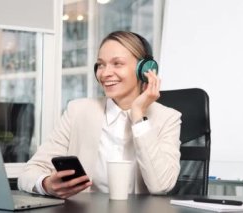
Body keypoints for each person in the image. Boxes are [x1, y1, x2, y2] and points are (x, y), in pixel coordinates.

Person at [18, 31, 181, 199]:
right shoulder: (78, 111)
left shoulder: (168, 118)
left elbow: (161, 186)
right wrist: (46, 185)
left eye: (117, 63)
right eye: (101, 65)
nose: (104, 73)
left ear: (145, 70)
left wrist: (138, 115)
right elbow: (28, 174)